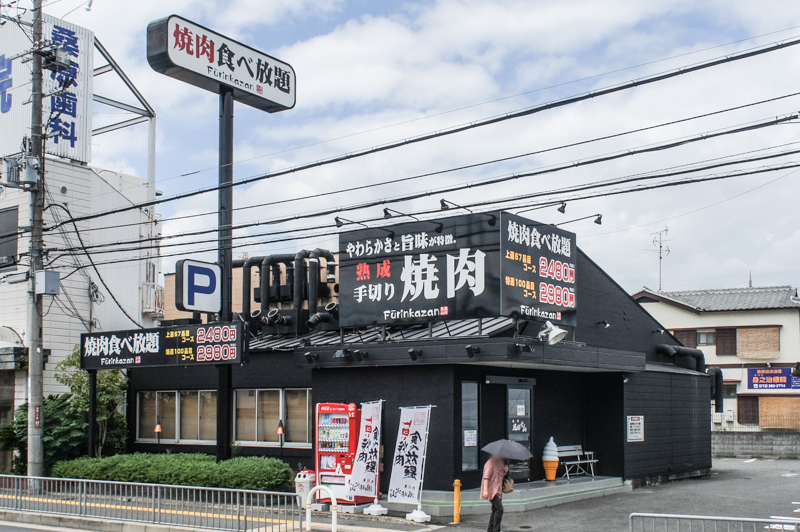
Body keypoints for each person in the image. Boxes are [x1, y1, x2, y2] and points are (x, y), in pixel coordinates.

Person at [481, 455, 508, 532]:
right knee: (499, 509)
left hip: (498, 490)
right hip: (491, 490)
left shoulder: (500, 462)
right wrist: (485, 490)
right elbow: (486, 477)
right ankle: (496, 530)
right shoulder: (490, 463)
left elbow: (500, 476)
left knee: (495, 509)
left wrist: (505, 471)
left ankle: (490, 530)